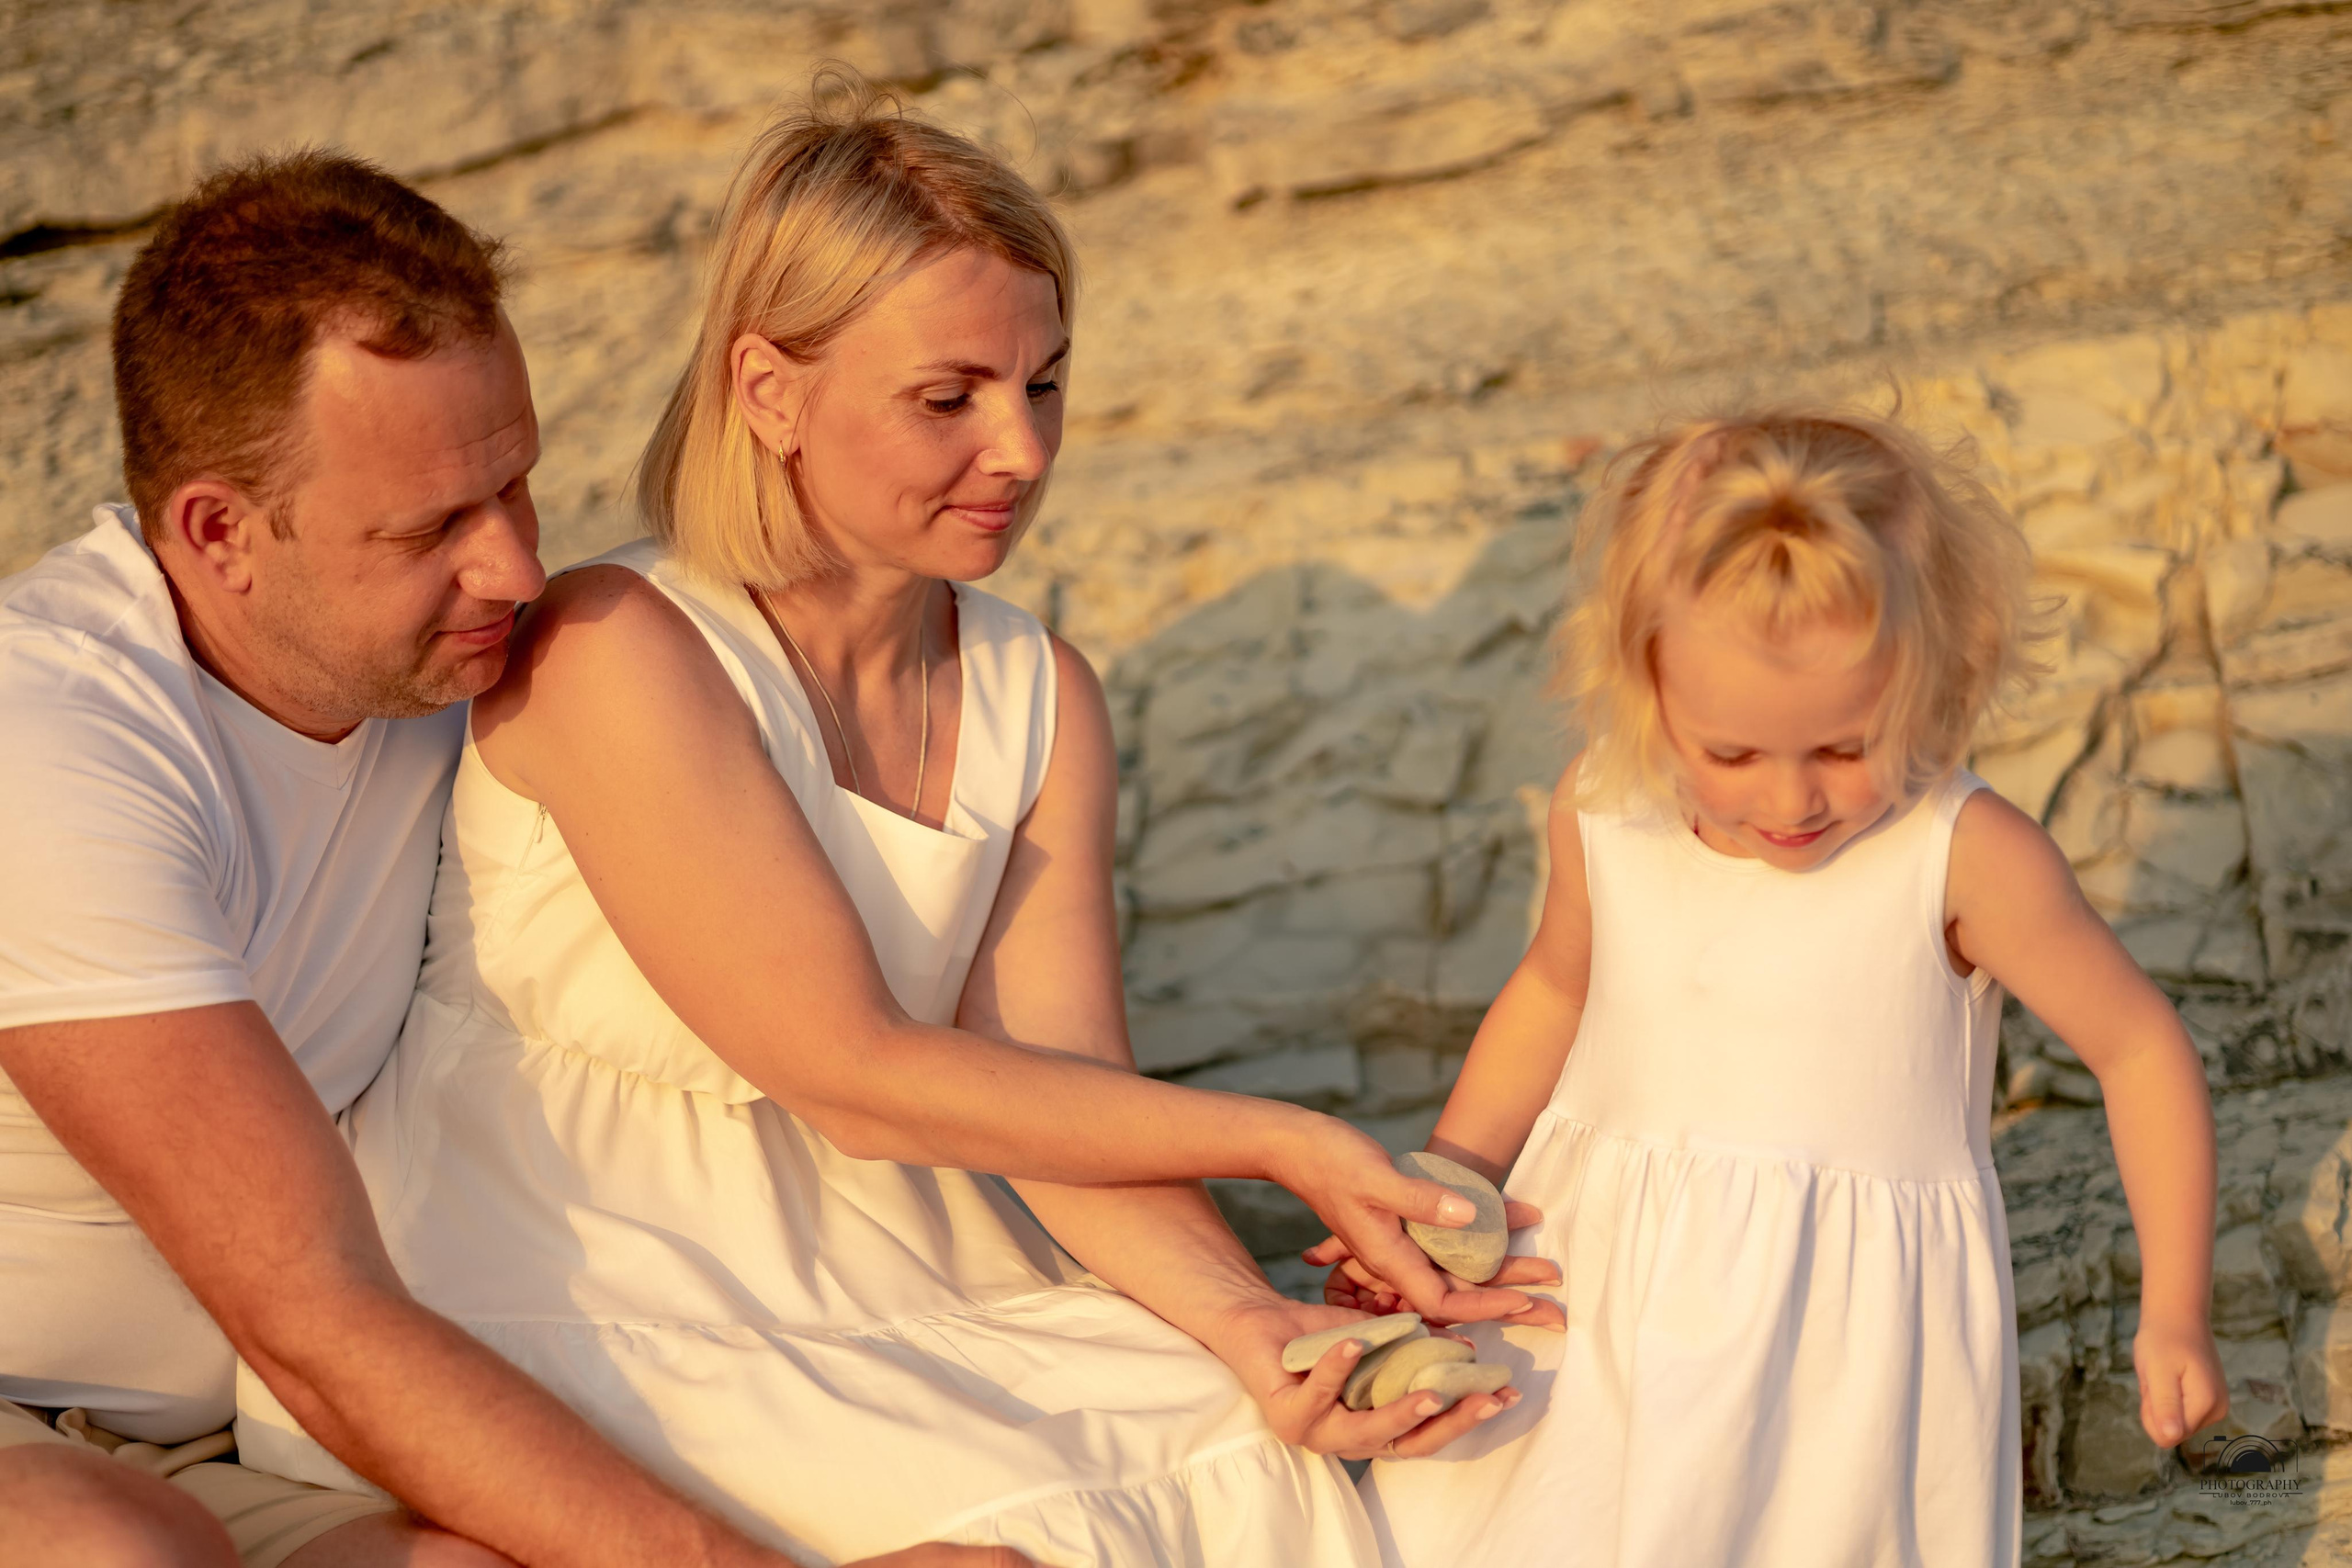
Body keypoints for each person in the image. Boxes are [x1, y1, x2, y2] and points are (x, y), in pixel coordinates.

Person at [232, 77, 1546, 1566]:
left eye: (1044, 383)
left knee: (1255, 1458)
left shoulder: (1037, 694)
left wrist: (1254, 1327)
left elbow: (1060, 1095)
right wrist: (1289, 1144)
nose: (1024, 451)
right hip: (568, 1269)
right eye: (951, 398)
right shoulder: (620, 644)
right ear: (770, 389)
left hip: (897, 1263)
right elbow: (846, 1069)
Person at [0, 149, 1035, 1568]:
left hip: (255, 1435)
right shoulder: (54, 744)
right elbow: (312, 1310)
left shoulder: (452, 666)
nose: (515, 568)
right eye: (432, 527)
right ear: (218, 532)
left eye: (517, 485)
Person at [1339, 410, 2229, 1566]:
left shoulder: (1959, 854)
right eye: (1732, 754)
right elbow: (1555, 992)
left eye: (1848, 747)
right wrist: (1453, 1178)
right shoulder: (1603, 804)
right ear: (1644, 681)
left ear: (1937, 671)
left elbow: (2137, 1050)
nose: (1791, 801)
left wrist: (2174, 1307)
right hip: (1585, 1297)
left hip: (1830, 1365)